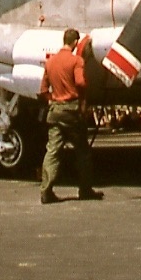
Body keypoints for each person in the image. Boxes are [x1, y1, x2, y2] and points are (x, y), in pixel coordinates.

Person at [38, 29, 102, 204]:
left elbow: (43, 90)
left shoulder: (50, 62)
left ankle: (46, 190)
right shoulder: (76, 61)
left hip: (55, 111)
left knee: (52, 151)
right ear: (75, 42)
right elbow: (80, 82)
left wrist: (53, 99)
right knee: (83, 151)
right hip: (72, 111)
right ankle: (85, 189)